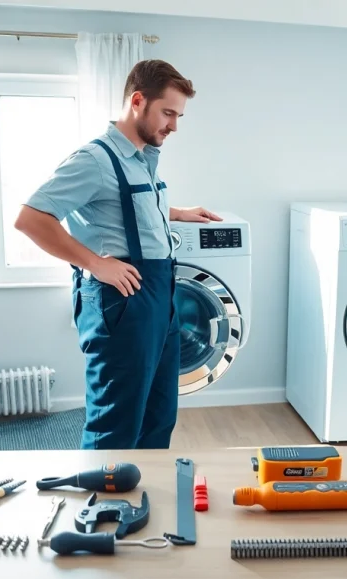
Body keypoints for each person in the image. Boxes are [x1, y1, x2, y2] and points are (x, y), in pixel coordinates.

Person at [15, 59, 221, 449]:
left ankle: (145, 501)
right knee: (116, 425)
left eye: (179, 116)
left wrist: (175, 212)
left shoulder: (144, 159)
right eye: (168, 113)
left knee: (159, 416)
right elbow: (30, 218)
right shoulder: (94, 160)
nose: (174, 126)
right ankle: (103, 508)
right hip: (122, 305)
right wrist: (93, 262)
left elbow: (127, 208)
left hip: (160, 300)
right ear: (138, 101)